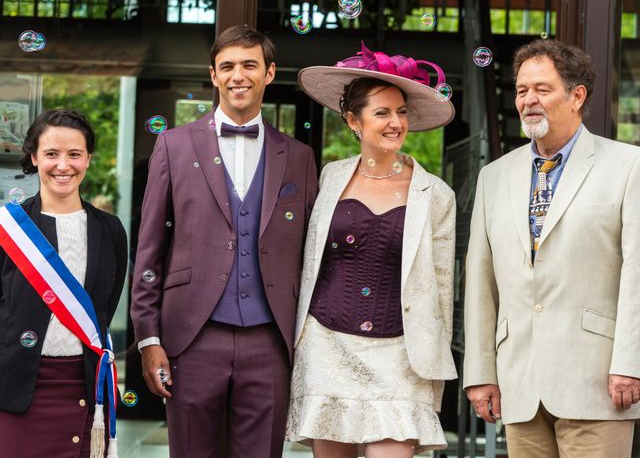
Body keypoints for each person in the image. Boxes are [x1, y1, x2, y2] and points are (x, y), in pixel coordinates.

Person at [130, 24, 318, 458]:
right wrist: (148, 337)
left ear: (269, 73)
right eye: (227, 66)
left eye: (250, 65)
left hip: (271, 338)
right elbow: (149, 248)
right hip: (191, 336)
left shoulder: (300, 157)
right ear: (213, 75)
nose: (239, 75)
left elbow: (310, 252)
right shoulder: (173, 145)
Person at [463, 39, 640, 457]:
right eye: (522, 90)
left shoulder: (628, 166)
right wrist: (481, 372)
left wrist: (631, 363)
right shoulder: (494, 177)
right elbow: (480, 280)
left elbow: (637, 271)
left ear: (577, 96)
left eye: (542, 89)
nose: (527, 101)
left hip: (597, 383)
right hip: (519, 385)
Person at [285, 43, 458, 457]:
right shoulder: (329, 179)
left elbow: (442, 289)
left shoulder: (436, 194)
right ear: (353, 121)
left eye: (400, 112)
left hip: (402, 355)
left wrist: (434, 373)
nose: (395, 122)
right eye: (382, 112)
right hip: (327, 347)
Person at [0, 109, 128, 457]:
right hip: (17, 389)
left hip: (84, 388)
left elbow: (104, 305)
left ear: (88, 157)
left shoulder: (111, 229)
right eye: (51, 154)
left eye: (74, 154)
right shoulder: (8, 229)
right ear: (33, 157)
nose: (63, 165)